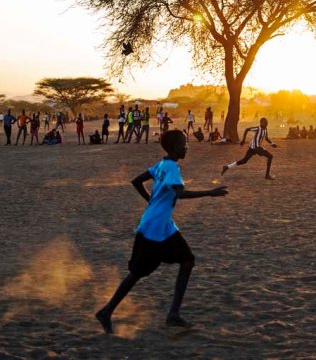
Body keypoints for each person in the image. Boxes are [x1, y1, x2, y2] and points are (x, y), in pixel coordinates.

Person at [95, 130, 228, 334]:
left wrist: (151, 201)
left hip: (162, 225)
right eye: (184, 143)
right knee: (137, 272)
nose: (187, 146)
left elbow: (136, 181)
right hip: (155, 228)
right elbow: (180, 194)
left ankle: (173, 314)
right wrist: (210, 193)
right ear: (174, 147)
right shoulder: (172, 167)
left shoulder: (161, 164)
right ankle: (106, 312)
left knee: (187, 261)